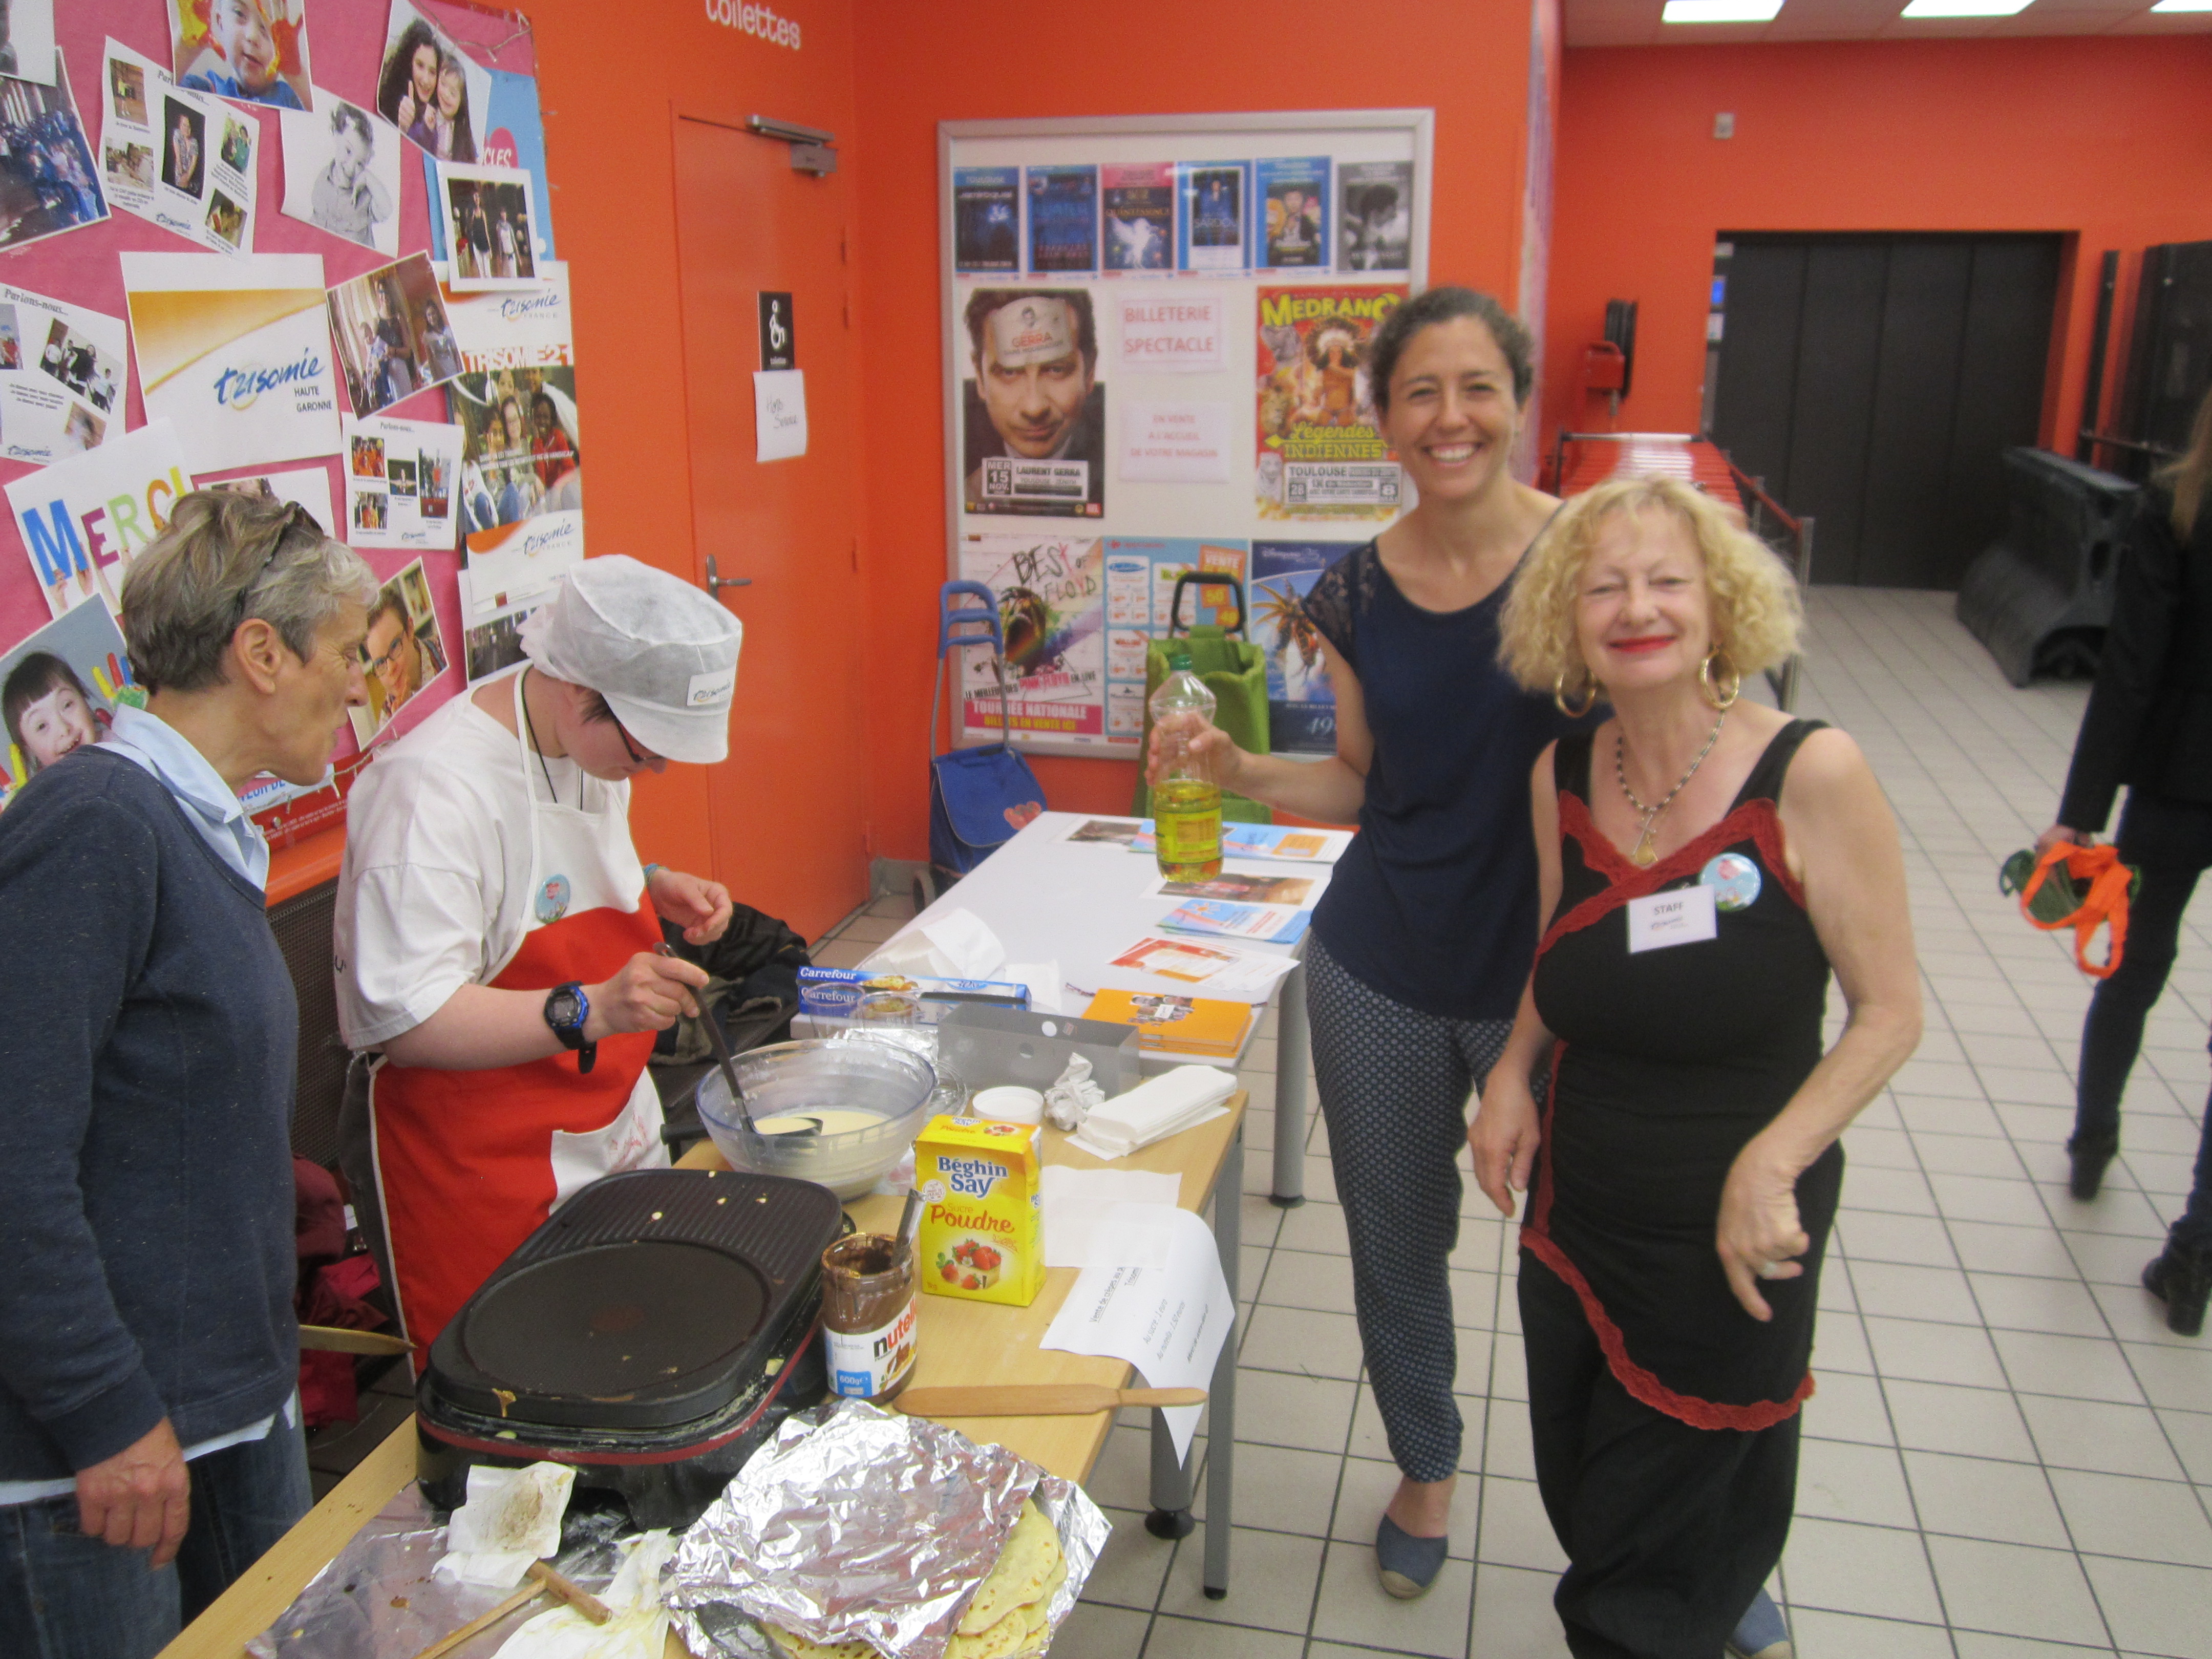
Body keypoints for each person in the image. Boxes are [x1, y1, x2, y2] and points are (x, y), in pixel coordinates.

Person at [1143, 286, 1582, 1595]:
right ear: (1384, 418)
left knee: (1603, 1252)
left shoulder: (1587, 560)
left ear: (1517, 401)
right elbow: (1359, 778)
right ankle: (1425, 1465)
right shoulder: (1354, 590)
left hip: (1557, 975)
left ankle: (1669, 1522)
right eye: (1420, 392)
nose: (1451, 417)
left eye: (1477, 387)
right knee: (1397, 1246)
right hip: (1381, 965)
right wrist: (1237, 769)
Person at [1470, 475, 1920, 1659]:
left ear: (1721, 602)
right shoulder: (1563, 773)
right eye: (1604, 586)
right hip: (1574, 1222)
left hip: (1730, 1239)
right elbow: (1564, 949)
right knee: (1590, 1500)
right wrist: (1512, 1071)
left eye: (1667, 580)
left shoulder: (1811, 772)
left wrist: (1773, 1162)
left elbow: (1890, 1012)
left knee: (1640, 1589)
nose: (1637, 607)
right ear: (1565, 619)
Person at [0, 492, 374, 1659]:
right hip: (101, 1452)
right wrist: (107, 1412)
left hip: (223, 1397)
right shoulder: (96, 823)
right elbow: (13, 1157)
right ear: (262, 652)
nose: (359, 682)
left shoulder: (195, 819)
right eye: (347, 652)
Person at [335, 556, 743, 1368]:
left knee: (632, 1357)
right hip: (476, 1170)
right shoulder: (431, 793)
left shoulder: (585, 745)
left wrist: (650, 883)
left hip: (609, 1128)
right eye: (645, 749)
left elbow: (536, 878)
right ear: (577, 687)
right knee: (506, 1388)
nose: (654, 771)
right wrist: (593, 1007)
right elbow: (407, 1018)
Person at [2039, 386, 2212, 1337]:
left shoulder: (2177, 509)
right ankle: (2196, 1251)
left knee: (2133, 971)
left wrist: (2079, 816)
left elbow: (2132, 671)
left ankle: (2093, 1142)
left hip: (2175, 786)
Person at [961, 288, 1105, 516]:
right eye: (1009, 372)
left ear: (1089, 373)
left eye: (1056, 370)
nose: (1034, 408)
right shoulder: (951, 434)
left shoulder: (1112, 441)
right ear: (979, 377)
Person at [179, 0, 305, 111]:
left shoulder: (294, 100)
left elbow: (317, 124)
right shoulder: (204, 88)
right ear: (221, 22)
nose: (253, 36)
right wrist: (186, 46)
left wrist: (296, 76)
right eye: (240, 13)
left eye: (269, 27)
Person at [3, 652, 103, 774]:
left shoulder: (119, 741)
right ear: (26, 747)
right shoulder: (46, 787)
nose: (64, 730)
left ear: (83, 696)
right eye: (42, 726)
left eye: (67, 705)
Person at [310, 102, 392, 250]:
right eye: (348, 151)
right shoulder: (323, 178)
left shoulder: (365, 195)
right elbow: (316, 218)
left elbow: (387, 210)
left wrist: (367, 178)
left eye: (360, 163)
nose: (351, 167)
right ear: (337, 136)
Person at [361, 587, 433, 724]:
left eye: (394, 647)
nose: (391, 669)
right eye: (380, 663)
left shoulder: (450, 653)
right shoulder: (388, 718)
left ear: (410, 629)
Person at [379, 20, 442, 143]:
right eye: (420, 66)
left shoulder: (432, 120)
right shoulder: (388, 99)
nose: (426, 80)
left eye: (432, 72)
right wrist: (402, 128)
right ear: (408, 64)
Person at [433, 54, 476, 163]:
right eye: (443, 84)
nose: (447, 95)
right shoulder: (428, 115)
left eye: (453, 93)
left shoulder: (463, 135)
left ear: (461, 102)